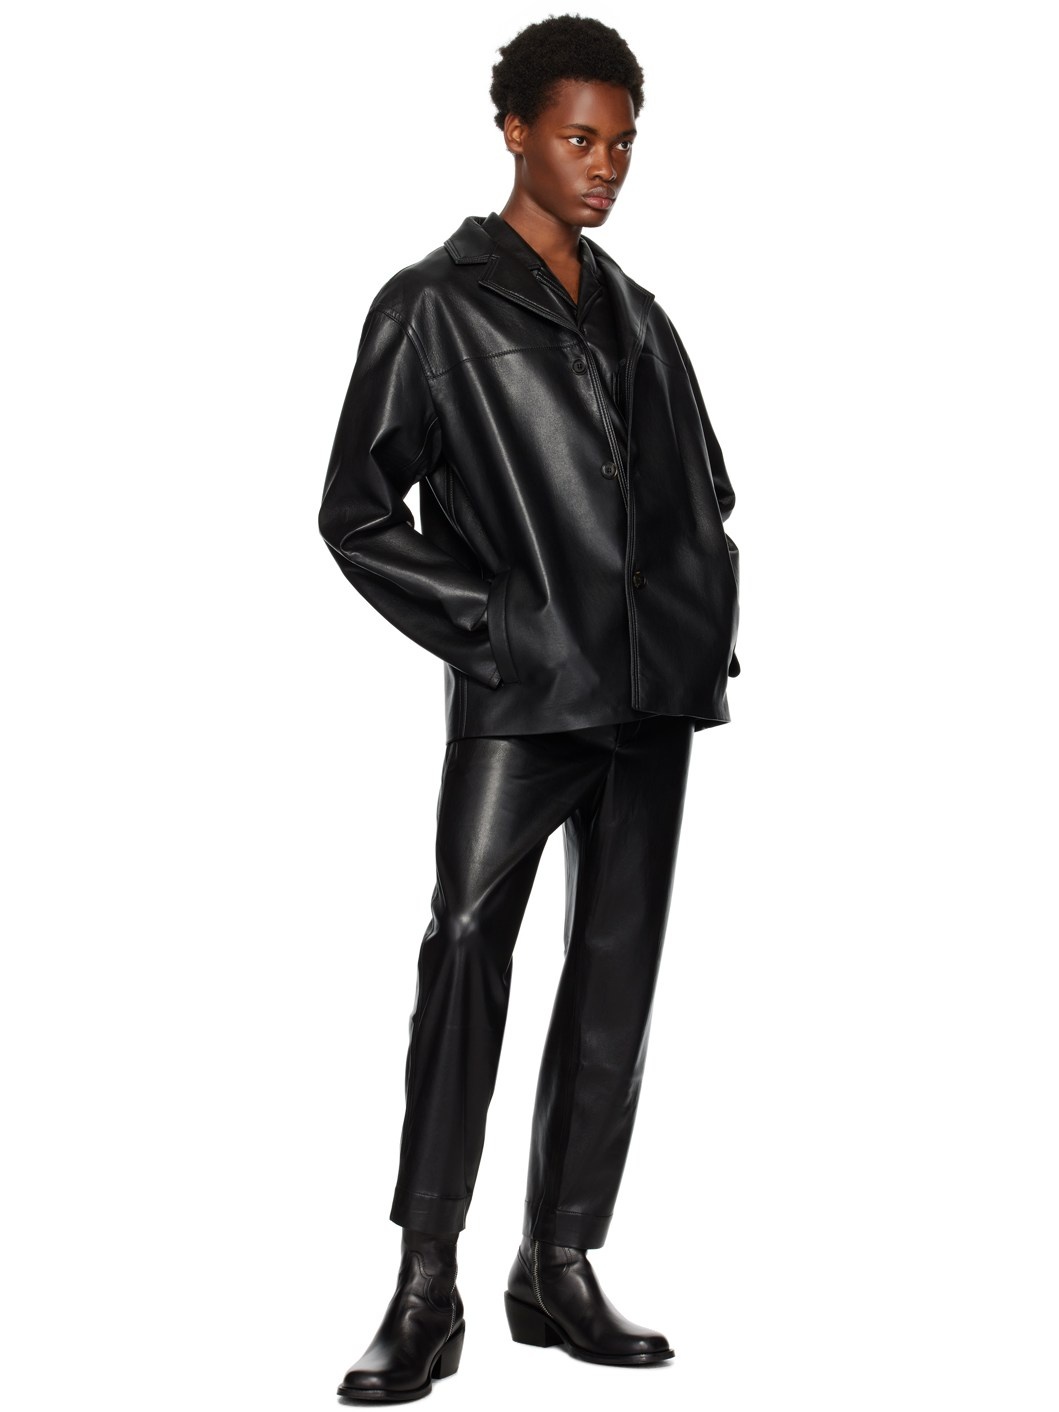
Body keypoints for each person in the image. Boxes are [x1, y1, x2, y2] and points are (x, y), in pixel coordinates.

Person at [318, 14, 740, 1401]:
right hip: (524, 696)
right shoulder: (432, 307)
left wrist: (704, 625)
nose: (604, 164)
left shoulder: (642, 315)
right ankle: (423, 1285)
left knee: (615, 981)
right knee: (463, 955)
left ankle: (557, 1264)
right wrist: (494, 626)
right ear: (514, 131)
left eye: (621, 142)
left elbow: (705, 496)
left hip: (652, 699)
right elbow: (357, 513)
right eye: (578, 137)